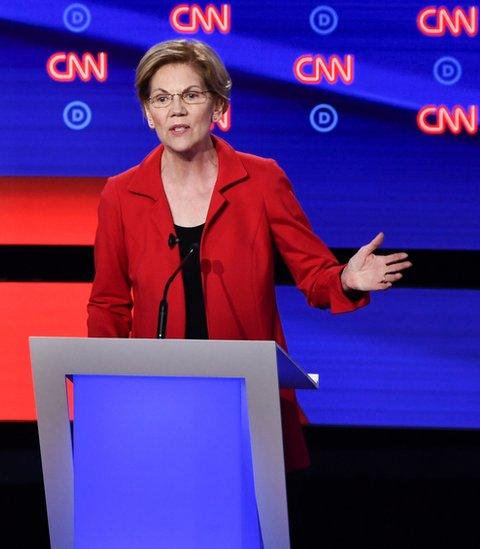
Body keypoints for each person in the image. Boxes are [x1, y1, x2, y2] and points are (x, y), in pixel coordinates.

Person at [87, 39, 411, 471]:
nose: (176, 110)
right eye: (161, 98)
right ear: (148, 114)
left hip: (246, 393)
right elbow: (109, 303)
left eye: (192, 94)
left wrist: (345, 281)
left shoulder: (261, 180)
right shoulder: (121, 194)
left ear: (218, 105)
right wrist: (106, 392)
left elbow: (313, 274)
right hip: (159, 398)